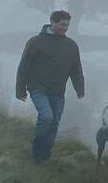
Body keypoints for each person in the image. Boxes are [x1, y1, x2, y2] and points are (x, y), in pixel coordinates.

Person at [15, 10, 85, 162]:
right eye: (62, 24)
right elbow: (24, 66)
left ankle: (44, 156)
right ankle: (36, 152)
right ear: (52, 22)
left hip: (58, 91)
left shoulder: (71, 45)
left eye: (67, 25)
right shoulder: (36, 42)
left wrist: (80, 89)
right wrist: (20, 90)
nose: (65, 28)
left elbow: (76, 69)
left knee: (54, 124)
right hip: (37, 87)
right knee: (46, 117)